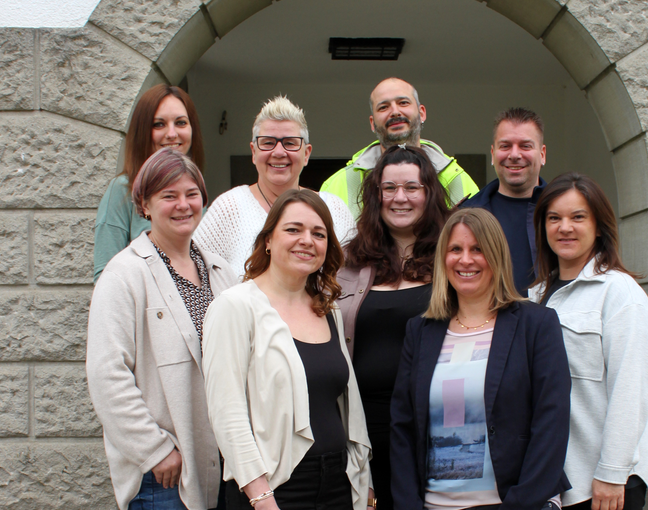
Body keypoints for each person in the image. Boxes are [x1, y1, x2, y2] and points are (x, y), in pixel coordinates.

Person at [202, 189, 373, 510]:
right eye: (293, 229)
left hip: (339, 482)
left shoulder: (328, 309)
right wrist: (261, 497)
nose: (306, 240)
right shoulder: (235, 307)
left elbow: (347, 408)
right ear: (267, 240)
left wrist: (363, 480)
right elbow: (228, 413)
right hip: (274, 489)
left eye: (318, 233)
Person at [391, 208, 571, 510]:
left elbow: (551, 425)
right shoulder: (420, 331)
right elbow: (403, 427)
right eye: (455, 249)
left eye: (478, 249)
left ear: (496, 255)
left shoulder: (536, 326)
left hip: (510, 503)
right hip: (434, 504)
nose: (465, 260)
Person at [87, 149, 237, 510]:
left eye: (191, 194)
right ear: (145, 205)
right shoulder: (124, 275)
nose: (183, 205)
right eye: (169, 196)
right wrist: (154, 450)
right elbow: (107, 373)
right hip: (164, 478)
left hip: (222, 467)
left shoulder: (221, 273)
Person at [528, 172, 648, 510]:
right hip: (554, 484)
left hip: (602, 485)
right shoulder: (534, 297)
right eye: (554, 218)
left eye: (578, 217)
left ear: (599, 226)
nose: (564, 227)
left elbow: (631, 390)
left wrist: (613, 473)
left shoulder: (620, 294)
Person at [336, 146, 451, 510]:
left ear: (429, 193)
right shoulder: (347, 262)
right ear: (375, 196)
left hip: (433, 429)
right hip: (360, 430)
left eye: (412, 188)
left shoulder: (453, 260)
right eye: (389, 188)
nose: (400, 198)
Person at [194, 95, 355, 277]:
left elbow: (354, 281)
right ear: (254, 152)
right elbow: (194, 274)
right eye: (268, 143)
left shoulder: (334, 210)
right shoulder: (228, 208)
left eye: (290, 143)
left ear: (306, 153)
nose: (279, 152)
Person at [320, 78, 479, 219]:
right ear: (372, 123)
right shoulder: (337, 185)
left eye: (403, 103)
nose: (395, 112)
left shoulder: (458, 180)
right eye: (383, 107)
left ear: (422, 113)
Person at [94, 84, 205, 282]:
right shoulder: (122, 190)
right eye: (159, 124)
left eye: (180, 123)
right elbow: (105, 277)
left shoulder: (196, 196)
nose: (171, 134)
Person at [462, 108, 547, 294]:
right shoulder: (466, 215)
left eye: (525, 146)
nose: (515, 155)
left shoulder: (560, 212)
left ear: (542, 154)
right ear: (493, 153)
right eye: (505, 146)